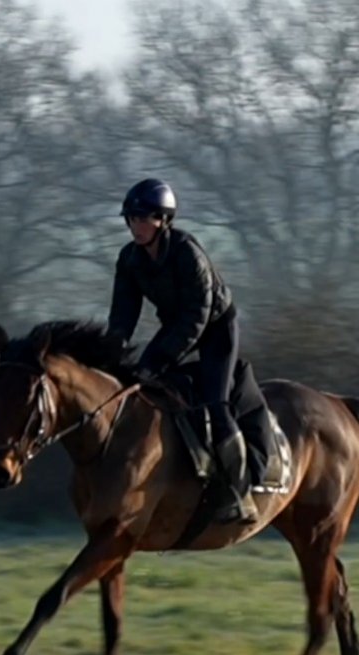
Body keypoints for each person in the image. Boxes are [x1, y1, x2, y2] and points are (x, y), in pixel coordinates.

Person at [106, 178, 258, 525]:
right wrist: (111, 355)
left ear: (163, 220)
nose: (136, 226)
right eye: (132, 219)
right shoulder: (129, 259)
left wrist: (162, 357)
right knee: (144, 389)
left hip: (215, 329)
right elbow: (122, 316)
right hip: (177, 326)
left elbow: (197, 317)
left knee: (215, 403)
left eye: (144, 219)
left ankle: (241, 493)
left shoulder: (188, 253)